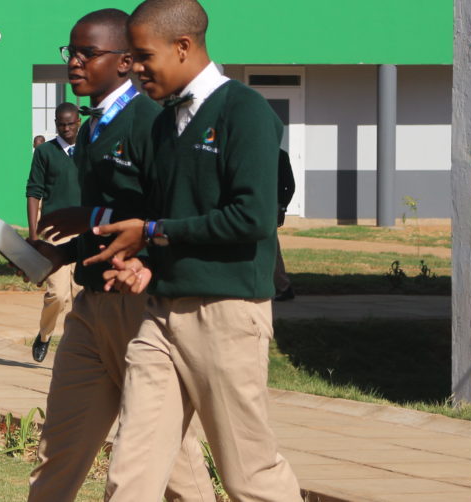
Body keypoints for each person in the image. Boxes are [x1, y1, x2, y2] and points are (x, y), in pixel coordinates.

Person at [85, 0, 303, 500]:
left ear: (183, 46)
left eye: (145, 56)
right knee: (132, 471)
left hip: (227, 313)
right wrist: (144, 263)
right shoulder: (164, 123)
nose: (136, 69)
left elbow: (252, 218)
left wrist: (153, 232)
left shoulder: (245, 111)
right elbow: (169, 214)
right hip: (160, 315)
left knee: (249, 476)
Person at [25, 9, 216, 502]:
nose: (74, 62)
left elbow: (166, 211)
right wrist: (60, 255)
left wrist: (90, 215)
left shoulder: (151, 122)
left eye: (88, 53)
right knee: (59, 448)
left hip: (140, 309)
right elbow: (102, 224)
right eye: (71, 52)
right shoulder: (91, 129)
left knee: (167, 462)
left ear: (125, 61)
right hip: (91, 309)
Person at [26, 102, 82, 363]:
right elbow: (33, 192)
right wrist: (34, 236)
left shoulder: (90, 151)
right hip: (55, 232)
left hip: (85, 231)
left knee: (81, 295)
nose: (66, 128)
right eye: (61, 124)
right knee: (58, 294)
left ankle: (80, 348)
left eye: (70, 124)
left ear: (78, 123)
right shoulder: (45, 152)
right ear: (56, 124)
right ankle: (45, 334)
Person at [274, 149, 296, 301]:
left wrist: (282, 207)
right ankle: (283, 286)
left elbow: (290, 185)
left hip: (270, 207)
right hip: (263, 206)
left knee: (270, 247)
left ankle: (284, 286)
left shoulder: (279, 155)